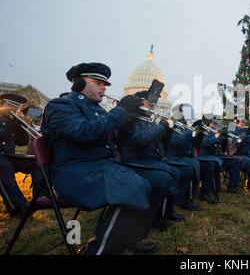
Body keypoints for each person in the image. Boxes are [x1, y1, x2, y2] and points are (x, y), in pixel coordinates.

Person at [41, 62, 158, 254]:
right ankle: (99, 251)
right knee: (132, 189)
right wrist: (120, 111)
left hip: (101, 168)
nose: (104, 88)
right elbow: (84, 133)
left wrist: (129, 121)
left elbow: (119, 141)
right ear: (79, 83)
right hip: (76, 174)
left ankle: (122, 240)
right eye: (98, 82)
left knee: (145, 184)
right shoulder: (60, 105)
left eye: (106, 84)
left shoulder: (100, 111)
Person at [114, 91, 185, 230]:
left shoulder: (148, 120)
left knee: (175, 173)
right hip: (135, 161)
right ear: (139, 101)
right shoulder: (133, 119)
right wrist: (162, 126)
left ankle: (164, 212)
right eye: (149, 103)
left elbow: (160, 143)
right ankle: (150, 218)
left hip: (149, 159)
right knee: (166, 178)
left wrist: (168, 130)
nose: (153, 107)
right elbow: (142, 140)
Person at [0, 94, 42, 218]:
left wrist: (21, 127)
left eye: (16, 106)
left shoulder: (13, 120)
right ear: (3, 104)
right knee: (4, 166)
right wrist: (8, 127)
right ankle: (19, 207)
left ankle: (40, 198)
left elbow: (22, 142)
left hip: (9, 156)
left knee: (36, 163)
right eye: (10, 105)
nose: (13, 109)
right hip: (1, 158)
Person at [199, 115, 243, 196]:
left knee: (236, 162)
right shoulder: (206, 131)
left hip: (218, 156)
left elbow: (224, 148)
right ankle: (211, 189)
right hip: (207, 157)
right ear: (209, 123)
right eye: (214, 123)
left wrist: (225, 139)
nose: (215, 124)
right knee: (214, 164)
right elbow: (206, 143)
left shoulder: (217, 131)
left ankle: (232, 186)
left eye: (217, 123)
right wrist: (218, 138)